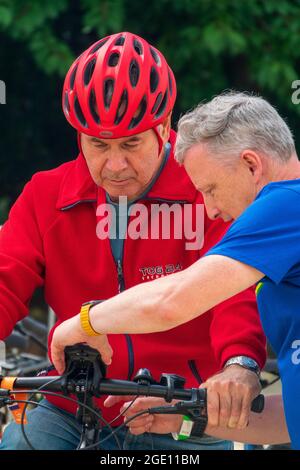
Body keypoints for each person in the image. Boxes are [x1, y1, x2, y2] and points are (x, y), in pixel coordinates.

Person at [0, 35, 265, 450]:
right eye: (99, 145)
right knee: (19, 442)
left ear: (163, 127)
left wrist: (238, 365)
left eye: (131, 143)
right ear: (78, 137)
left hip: (184, 409)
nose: (115, 164)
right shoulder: (44, 197)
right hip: (74, 405)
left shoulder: (207, 191)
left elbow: (235, 290)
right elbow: (4, 278)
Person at [50, 90, 300, 448]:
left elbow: (172, 300)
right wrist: (183, 419)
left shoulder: (285, 205)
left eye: (211, 189)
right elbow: (290, 419)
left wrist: (84, 322)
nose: (211, 210)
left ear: (251, 164)